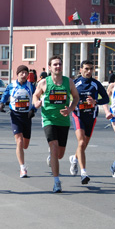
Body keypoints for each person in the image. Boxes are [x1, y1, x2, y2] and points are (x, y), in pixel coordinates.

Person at [32, 55, 79, 193]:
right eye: (55, 64)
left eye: (59, 64)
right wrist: (36, 102)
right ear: (50, 67)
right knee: (53, 146)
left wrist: (70, 109)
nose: (57, 66)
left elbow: (76, 97)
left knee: (60, 154)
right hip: (48, 119)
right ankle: (56, 181)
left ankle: (52, 157)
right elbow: (36, 95)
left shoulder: (68, 82)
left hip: (63, 120)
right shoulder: (44, 83)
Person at [69, 60, 109, 185]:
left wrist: (95, 102)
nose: (88, 71)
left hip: (91, 116)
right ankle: (84, 173)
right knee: (81, 142)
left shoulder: (96, 84)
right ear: (80, 70)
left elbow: (106, 98)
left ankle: (74, 158)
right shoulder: (75, 83)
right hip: (78, 115)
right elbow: (66, 96)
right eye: (86, 68)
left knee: (84, 144)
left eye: (91, 69)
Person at [0, 65, 36, 178]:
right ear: (17, 74)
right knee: (19, 141)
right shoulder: (12, 86)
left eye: (26, 73)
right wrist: (2, 103)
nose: (24, 75)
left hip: (27, 116)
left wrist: (33, 110)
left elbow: (37, 98)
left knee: (25, 145)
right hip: (15, 115)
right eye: (22, 72)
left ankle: (22, 163)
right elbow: (5, 94)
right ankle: (22, 168)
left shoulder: (31, 86)